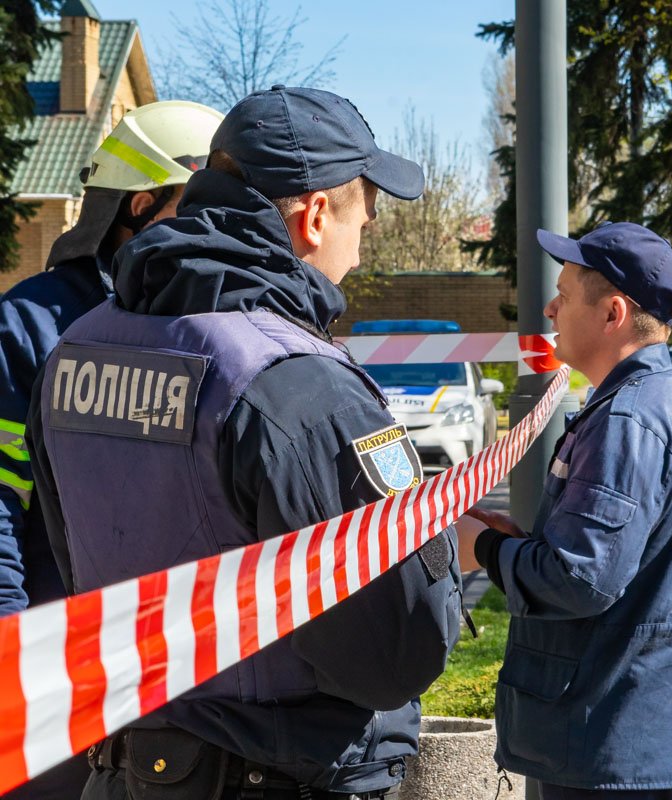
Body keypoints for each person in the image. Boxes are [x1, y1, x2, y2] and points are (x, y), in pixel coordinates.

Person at [27, 86, 461, 799]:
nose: (366, 239)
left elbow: (78, 561)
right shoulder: (299, 389)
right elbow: (391, 655)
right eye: (368, 215)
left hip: (124, 767)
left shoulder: (75, 349)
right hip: (276, 773)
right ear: (316, 216)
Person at [0, 100, 222, 800]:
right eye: (202, 206)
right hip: (58, 669)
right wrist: (14, 654)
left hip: (183, 667)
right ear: (139, 204)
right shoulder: (33, 325)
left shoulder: (211, 323)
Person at [466, 222, 672, 799]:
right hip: (632, 737)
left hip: (605, 744)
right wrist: (522, 543)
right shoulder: (666, 404)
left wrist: (481, 549)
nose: (551, 308)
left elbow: (579, 578)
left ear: (612, 314)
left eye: (564, 294)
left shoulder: (627, 422)